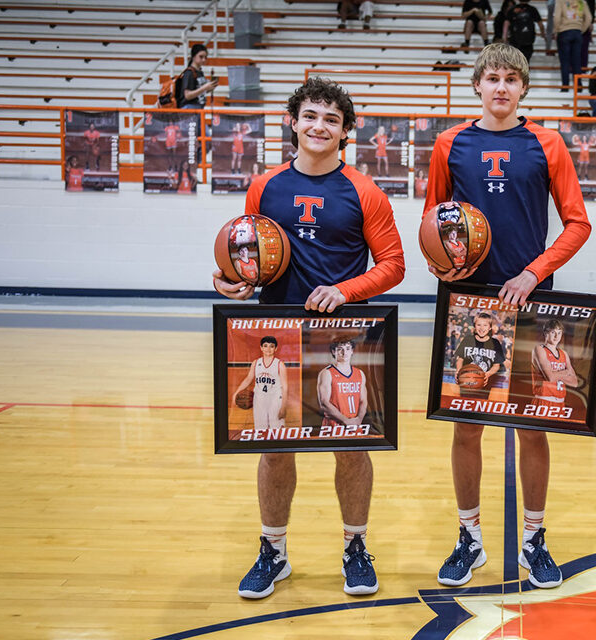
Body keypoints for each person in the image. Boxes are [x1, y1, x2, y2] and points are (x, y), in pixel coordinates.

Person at [213, 77, 405, 599]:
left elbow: (394, 267)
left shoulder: (365, 191)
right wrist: (232, 281)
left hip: (341, 334)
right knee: (275, 448)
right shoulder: (264, 186)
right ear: (292, 122)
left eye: (332, 120)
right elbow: (247, 253)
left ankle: (355, 546)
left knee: (350, 446)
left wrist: (344, 289)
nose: (320, 126)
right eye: (311, 116)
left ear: (346, 132)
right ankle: (273, 551)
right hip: (276, 330)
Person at [424, 43, 591, 590]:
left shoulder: (548, 142)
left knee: (534, 430)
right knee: (466, 427)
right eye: (492, 78)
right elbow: (435, 220)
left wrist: (533, 273)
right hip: (469, 301)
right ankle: (469, 537)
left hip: (531, 300)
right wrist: (443, 266)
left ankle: (534, 538)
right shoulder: (450, 143)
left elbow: (576, 223)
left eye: (511, 79)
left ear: (524, 88)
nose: (501, 88)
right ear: (477, 85)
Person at [234, 336, 288, 431]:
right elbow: (248, 379)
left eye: (271, 346)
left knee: (277, 429)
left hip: (275, 399)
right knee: (260, 429)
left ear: (276, 349)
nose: (268, 349)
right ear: (261, 348)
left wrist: (283, 407)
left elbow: (285, 387)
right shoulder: (256, 363)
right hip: (259, 399)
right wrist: (236, 393)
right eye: (265, 346)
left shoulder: (280, 364)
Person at [318, 336, 367, 430]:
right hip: (334, 425)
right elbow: (324, 403)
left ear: (352, 351)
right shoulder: (327, 373)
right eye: (340, 349)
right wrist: (345, 420)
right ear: (333, 352)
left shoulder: (359, 373)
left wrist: (359, 420)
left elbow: (363, 401)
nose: (344, 353)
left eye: (348, 349)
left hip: (355, 424)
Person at [531, 319, 578, 411]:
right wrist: (566, 372)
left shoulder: (564, 353)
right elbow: (550, 378)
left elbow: (575, 382)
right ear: (545, 333)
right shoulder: (540, 349)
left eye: (559, 333)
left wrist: (555, 374)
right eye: (553, 332)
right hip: (544, 402)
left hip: (560, 404)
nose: (557, 336)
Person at [554, 0, 592, 92]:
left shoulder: (560, 1)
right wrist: (581, 29)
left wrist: (557, 30)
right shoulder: (582, 2)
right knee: (576, 61)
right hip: (577, 32)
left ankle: (565, 86)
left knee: (565, 62)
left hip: (564, 32)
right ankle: (578, 86)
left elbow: (557, 18)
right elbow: (589, 18)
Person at [176, 44, 218, 110]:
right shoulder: (189, 73)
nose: (204, 60)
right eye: (201, 57)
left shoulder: (200, 72)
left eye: (205, 57)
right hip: (189, 109)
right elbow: (187, 95)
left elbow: (199, 92)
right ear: (194, 57)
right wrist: (204, 88)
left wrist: (210, 88)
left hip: (198, 107)